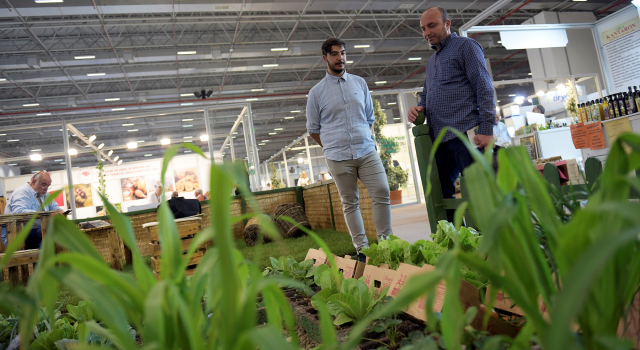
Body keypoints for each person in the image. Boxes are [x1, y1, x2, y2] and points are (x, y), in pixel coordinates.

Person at [307, 37, 393, 261]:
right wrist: (333, 145)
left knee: (383, 191)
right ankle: (362, 249)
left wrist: (365, 137)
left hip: (366, 151)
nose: (340, 58)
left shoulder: (359, 83)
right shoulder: (316, 93)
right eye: (334, 54)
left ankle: (386, 245)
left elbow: (369, 117)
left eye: (343, 53)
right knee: (350, 202)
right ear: (325, 58)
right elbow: (313, 129)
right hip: (338, 157)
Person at [407, 7, 495, 223]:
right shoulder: (432, 62)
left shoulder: (466, 47)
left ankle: (492, 243)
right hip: (440, 139)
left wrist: (486, 129)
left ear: (447, 23)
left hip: (467, 134)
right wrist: (419, 108)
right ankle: (457, 242)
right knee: (440, 194)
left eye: (432, 25)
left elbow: (484, 87)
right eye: (423, 28)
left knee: (480, 192)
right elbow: (427, 96)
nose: (427, 32)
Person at [2, 171, 65, 249]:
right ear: (34, 181)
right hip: (17, 233)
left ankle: (59, 260)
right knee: (45, 234)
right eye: (44, 184)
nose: (46, 188)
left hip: (37, 230)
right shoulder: (22, 192)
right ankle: (43, 261)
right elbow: (18, 212)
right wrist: (46, 214)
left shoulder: (44, 194)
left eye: (48, 185)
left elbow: (54, 207)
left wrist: (59, 211)